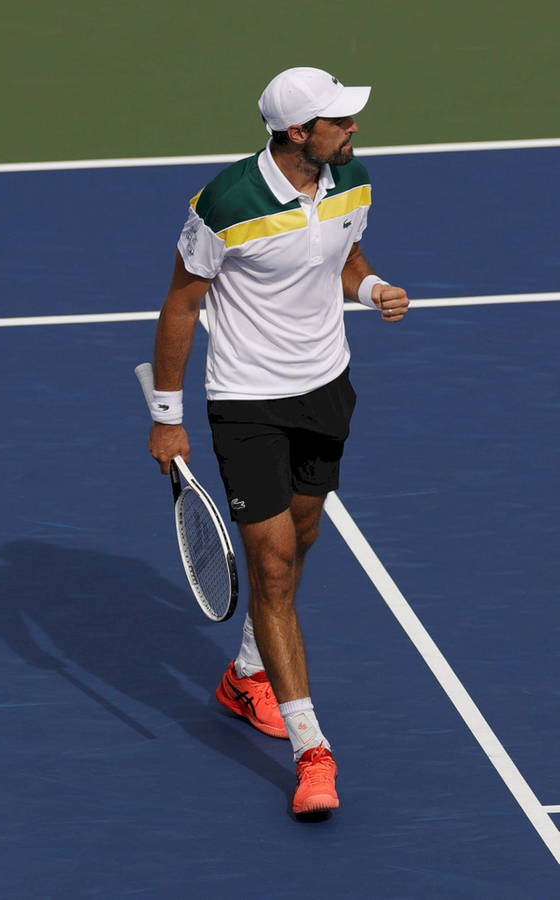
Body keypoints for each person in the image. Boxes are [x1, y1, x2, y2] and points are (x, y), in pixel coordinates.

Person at [147, 66, 409, 814]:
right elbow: (181, 304)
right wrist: (168, 415)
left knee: (303, 535)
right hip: (248, 401)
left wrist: (372, 288)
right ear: (299, 133)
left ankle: (245, 678)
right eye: (339, 122)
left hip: (328, 388)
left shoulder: (351, 179)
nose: (354, 129)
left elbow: (346, 260)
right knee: (272, 566)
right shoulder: (223, 203)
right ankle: (312, 752)